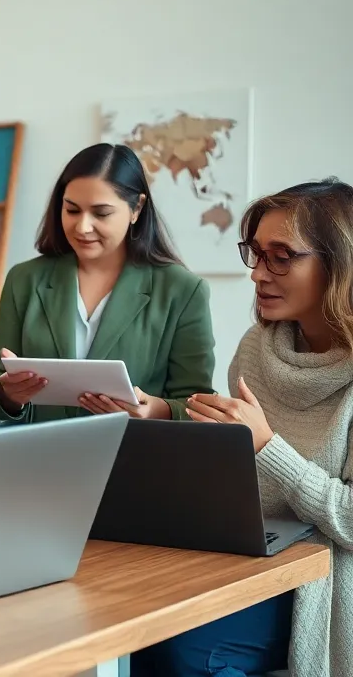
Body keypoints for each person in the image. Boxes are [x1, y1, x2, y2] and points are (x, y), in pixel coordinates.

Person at [135, 179, 353, 677]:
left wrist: (268, 446)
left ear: (339, 264)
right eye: (255, 254)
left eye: (281, 257)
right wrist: (167, 419)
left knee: (186, 649)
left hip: (321, 575)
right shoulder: (258, 348)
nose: (258, 274)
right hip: (248, 550)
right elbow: (234, 471)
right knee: (132, 625)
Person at [0, 143, 215, 424]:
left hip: (133, 460)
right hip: (39, 458)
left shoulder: (182, 290)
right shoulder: (25, 279)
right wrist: (8, 393)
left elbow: (199, 407)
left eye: (101, 213)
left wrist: (155, 410)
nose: (82, 227)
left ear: (136, 208)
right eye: (72, 210)